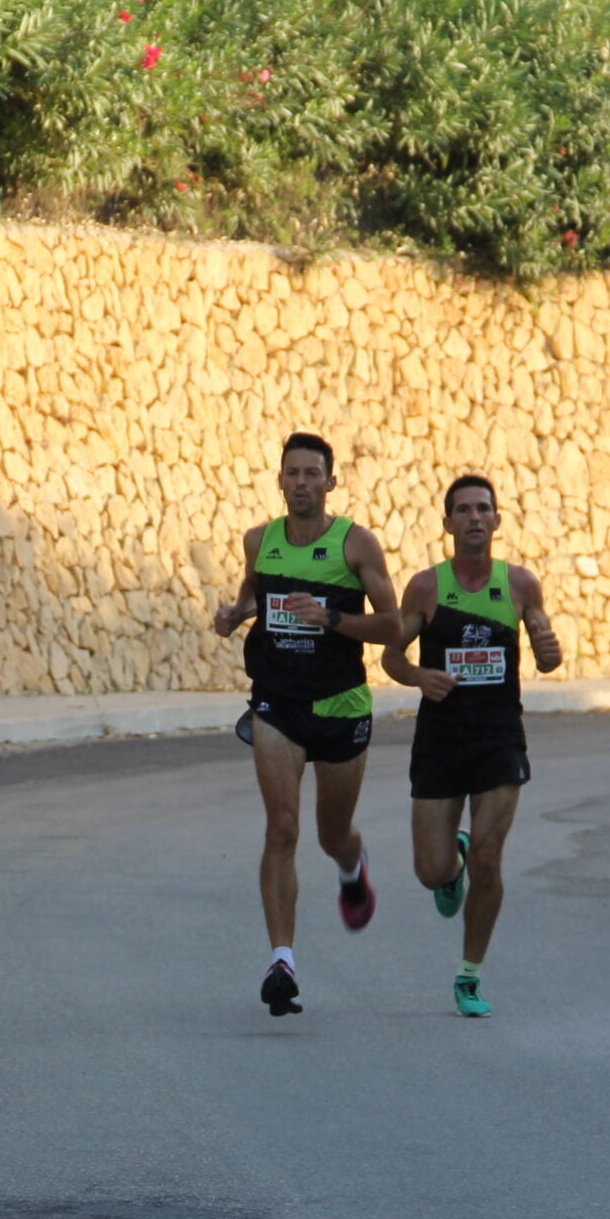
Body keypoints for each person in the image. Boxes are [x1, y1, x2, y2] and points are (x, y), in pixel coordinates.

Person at [212, 433, 403, 1016]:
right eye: (291, 473)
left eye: (312, 473)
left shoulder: (356, 545)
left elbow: (394, 626)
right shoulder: (259, 541)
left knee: (330, 833)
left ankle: (352, 865)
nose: (301, 482)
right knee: (283, 828)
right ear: (279, 480)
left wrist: (333, 617)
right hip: (277, 702)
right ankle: (282, 961)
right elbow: (254, 594)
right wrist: (234, 613)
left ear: (330, 483)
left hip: (341, 704)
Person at [382, 473, 562, 1016]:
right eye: (463, 510)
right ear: (448, 524)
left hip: (499, 738)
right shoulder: (426, 588)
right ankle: (450, 861)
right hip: (440, 740)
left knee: (490, 856)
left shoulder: (521, 585)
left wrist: (549, 648)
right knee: (430, 873)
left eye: (484, 509)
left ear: (498, 520)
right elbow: (392, 657)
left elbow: (547, 658)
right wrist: (419, 678)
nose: (475, 517)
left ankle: (469, 974)